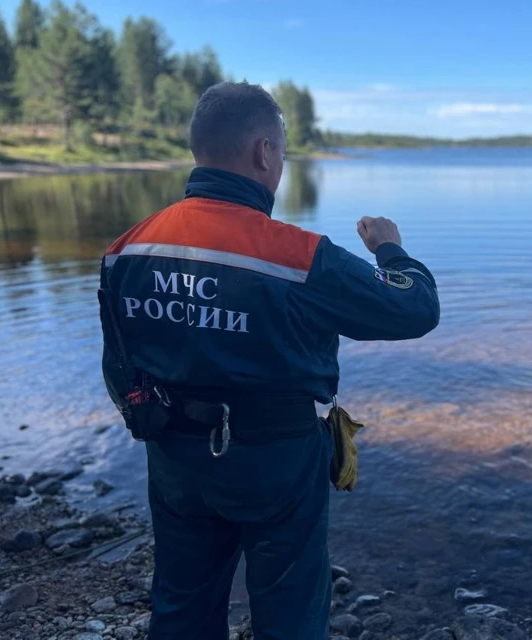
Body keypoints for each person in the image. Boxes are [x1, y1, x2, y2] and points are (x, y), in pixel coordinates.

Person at [96, 82, 440, 640]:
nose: (279, 165)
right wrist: (391, 249)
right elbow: (416, 308)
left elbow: (118, 365)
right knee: (291, 612)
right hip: (277, 460)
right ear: (263, 152)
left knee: (182, 604)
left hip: (173, 455)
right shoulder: (297, 256)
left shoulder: (126, 247)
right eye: (280, 152)